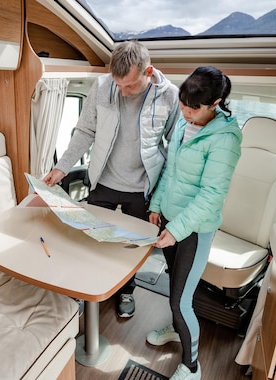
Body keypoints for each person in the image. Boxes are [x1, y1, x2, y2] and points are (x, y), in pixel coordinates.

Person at [43, 40, 180, 318]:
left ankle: (125, 290)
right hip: (103, 181)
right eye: (118, 84)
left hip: (142, 189)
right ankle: (85, 289)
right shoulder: (102, 87)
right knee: (92, 240)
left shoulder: (169, 96)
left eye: (130, 85)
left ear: (149, 72)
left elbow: (175, 148)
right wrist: (62, 168)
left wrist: (160, 200)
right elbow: (85, 132)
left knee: (129, 249)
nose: (123, 91)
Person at [145, 66, 242, 380]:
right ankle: (177, 331)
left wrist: (175, 230)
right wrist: (158, 206)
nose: (185, 112)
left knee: (179, 299)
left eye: (193, 108)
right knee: (175, 287)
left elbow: (212, 196)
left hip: (195, 229)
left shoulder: (225, 139)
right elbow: (170, 170)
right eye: (183, 105)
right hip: (172, 219)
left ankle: (191, 366)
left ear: (214, 104)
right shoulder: (184, 124)